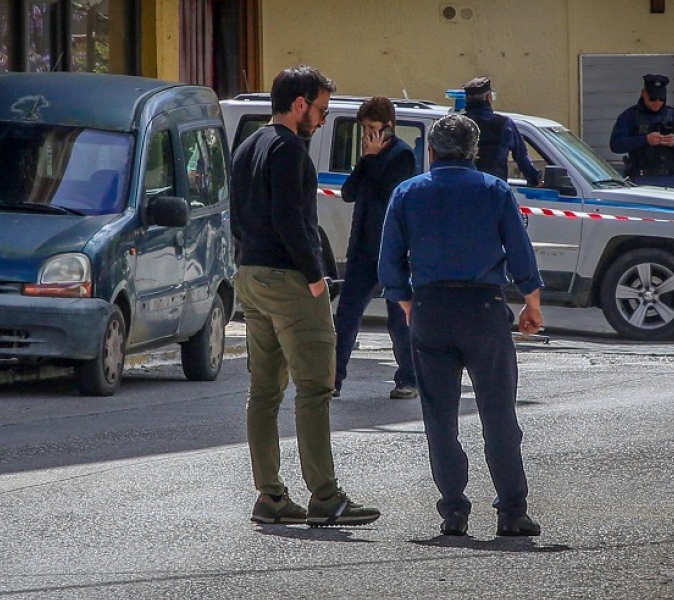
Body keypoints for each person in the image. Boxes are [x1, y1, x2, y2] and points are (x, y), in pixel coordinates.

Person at [378, 113, 544, 537]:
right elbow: (520, 253)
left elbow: (389, 264)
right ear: (474, 152)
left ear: (430, 151)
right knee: (499, 414)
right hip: (483, 308)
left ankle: (453, 510)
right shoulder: (494, 190)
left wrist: (408, 305)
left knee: (439, 415)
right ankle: (511, 510)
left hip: (431, 308)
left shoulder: (407, 193)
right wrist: (532, 304)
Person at [230, 65, 381, 527]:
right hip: (290, 281)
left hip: (250, 275)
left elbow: (237, 215)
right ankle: (325, 497)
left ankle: (271, 497)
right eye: (320, 109)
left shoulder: (248, 145)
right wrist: (316, 277)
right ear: (299, 105)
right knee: (315, 388)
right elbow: (291, 221)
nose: (322, 118)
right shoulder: (290, 150)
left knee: (264, 392)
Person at [333, 97, 418, 400]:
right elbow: (348, 193)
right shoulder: (368, 155)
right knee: (346, 315)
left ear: (388, 126)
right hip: (363, 249)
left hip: (393, 249)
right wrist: (365, 160)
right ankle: (333, 379)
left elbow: (390, 194)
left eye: (372, 128)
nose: (367, 134)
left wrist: (371, 160)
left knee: (399, 318)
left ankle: (408, 378)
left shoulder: (402, 155)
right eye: (364, 128)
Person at [609, 73, 674, 188]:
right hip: (641, 179)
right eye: (652, 99)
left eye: (661, 99)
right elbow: (616, 145)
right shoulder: (630, 116)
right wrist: (644, 140)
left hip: (669, 179)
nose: (657, 103)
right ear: (643, 94)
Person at [462, 76, 541, 186]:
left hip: (464, 189)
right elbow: (522, 158)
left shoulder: (459, 124)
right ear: (489, 98)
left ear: (466, 100)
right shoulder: (504, 124)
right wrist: (535, 179)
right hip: (495, 189)